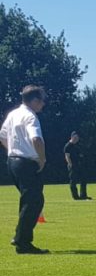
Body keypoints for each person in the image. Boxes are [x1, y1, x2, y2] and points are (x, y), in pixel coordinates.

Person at [1, 85, 50, 254]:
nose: (43, 104)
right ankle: (22, 239)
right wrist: (42, 159)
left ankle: (22, 239)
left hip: (13, 162)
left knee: (29, 200)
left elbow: (2, 136)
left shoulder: (13, 114)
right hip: (27, 163)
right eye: (42, 100)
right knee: (34, 201)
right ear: (35, 100)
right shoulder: (30, 116)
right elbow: (36, 139)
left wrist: (12, 151)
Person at [64, 132, 90, 200]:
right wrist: (70, 164)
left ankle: (83, 195)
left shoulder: (77, 145)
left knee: (83, 180)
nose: (76, 139)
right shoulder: (68, 146)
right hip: (72, 165)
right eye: (75, 138)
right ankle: (75, 196)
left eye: (77, 138)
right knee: (73, 181)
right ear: (72, 137)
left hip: (80, 165)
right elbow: (67, 156)